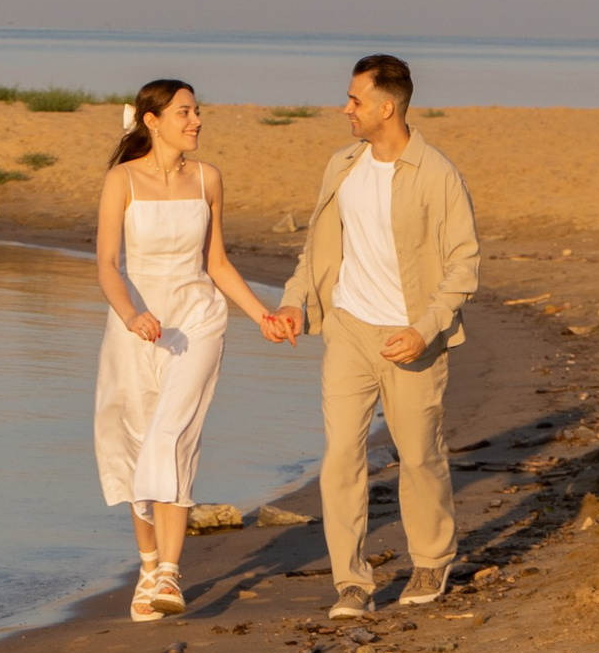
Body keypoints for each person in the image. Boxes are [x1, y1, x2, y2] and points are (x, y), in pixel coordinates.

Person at [275, 53, 481, 616]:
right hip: (347, 328)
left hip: (412, 335)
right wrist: (296, 302)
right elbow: (318, 250)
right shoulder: (342, 164)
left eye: (355, 100)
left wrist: (424, 330)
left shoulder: (437, 173)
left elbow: (463, 265)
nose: (346, 109)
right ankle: (352, 582)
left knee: (417, 454)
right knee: (341, 453)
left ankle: (433, 559)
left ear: (386, 107)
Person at [95, 79, 299, 620]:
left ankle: (170, 574)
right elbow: (107, 265)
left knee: (171, 436)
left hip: (199, 322)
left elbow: (218, 263)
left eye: (198, 111)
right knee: (136, 444)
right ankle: (147, 567)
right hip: (137, 325)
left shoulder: (209, 179)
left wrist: (263, 315)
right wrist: (132, 314)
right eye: (184, 112)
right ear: (151, 120)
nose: (196, 121)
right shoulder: (122, 181)